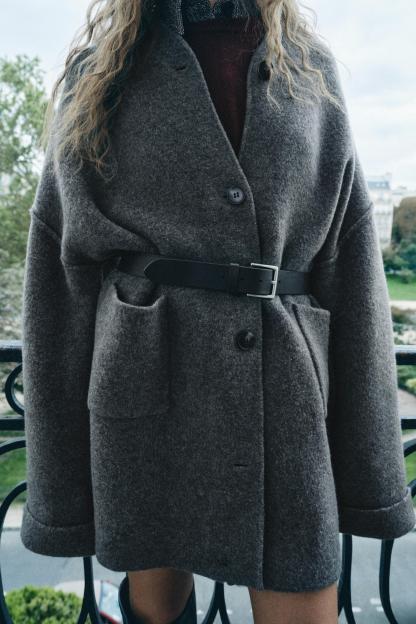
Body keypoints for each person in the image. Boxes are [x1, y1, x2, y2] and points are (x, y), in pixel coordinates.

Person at [20, 1, 415, 623]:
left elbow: (350, 255)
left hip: (286, 396)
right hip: (142, 395)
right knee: (155, 613)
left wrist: (371, 468)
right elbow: (59, 268)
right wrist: (59, 485)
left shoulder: (308, 69)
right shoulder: (102, 72)